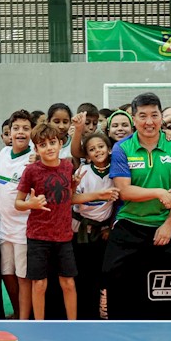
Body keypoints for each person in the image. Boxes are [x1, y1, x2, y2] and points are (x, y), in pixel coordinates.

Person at [103, 92, 171, 320]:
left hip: (166, 222)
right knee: (110, 273)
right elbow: (124, 190)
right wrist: (158, 192)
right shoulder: (122, 148)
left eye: (154, 115)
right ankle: (117, 327)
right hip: (130, 222)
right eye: (142, 116)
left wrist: (168, 224)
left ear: (162, 117)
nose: (149, 121)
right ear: (134, 119)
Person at [16, 123, 116, 320]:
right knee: (40, 284)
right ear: (36, 149)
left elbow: (69, 198)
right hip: (38, 236)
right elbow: (18, 203)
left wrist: (98, 194)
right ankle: (39, 325)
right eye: (42, 145)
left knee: (69, 283)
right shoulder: (31, 171)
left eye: (52, 143)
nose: (49, 148)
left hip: (63, 235)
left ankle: (72, 324)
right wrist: (31, 204)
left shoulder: (67, 166)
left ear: (60, 143)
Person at [72, 132, 120, 319]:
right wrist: (98, 195)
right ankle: (84, 316)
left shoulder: (117, 173)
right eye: (92, 149)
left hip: (103, 233)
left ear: (109, 149)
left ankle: (103, 310)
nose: (97, 151)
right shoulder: (82, 173)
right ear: (86, 155)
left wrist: (109, 226)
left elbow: (119, 203)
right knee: (82, 276)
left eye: (101, 146)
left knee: (103, 273)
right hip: (79, 231)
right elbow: (70, 199)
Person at [0, 110, 35, 320]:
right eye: (16, 128)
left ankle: (24, 320)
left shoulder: (33, 158)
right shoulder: (2, 154)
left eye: (26, 128)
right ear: (9, 132)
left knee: (23, 277)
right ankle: (18, 312)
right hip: (4, 228)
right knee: (7, 274)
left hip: (24, 230)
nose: (20, 132)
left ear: (31, 132)